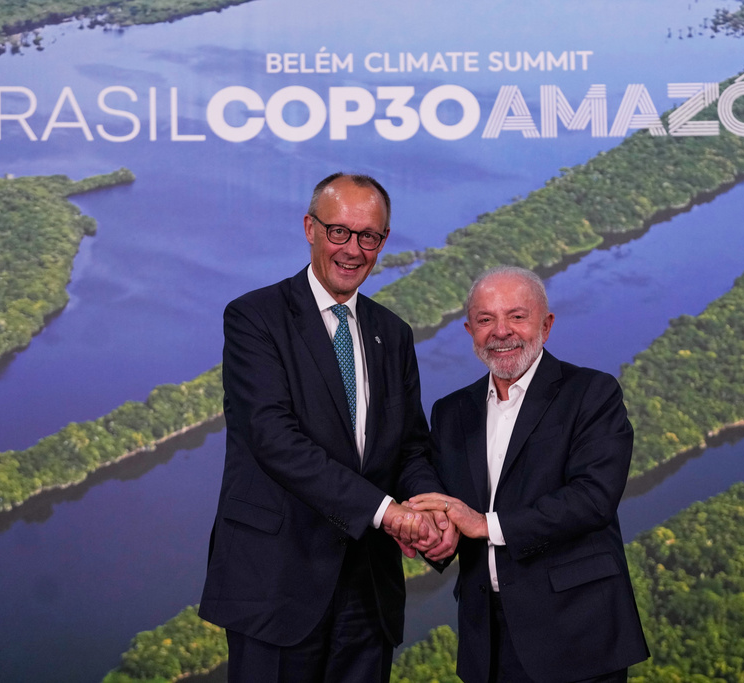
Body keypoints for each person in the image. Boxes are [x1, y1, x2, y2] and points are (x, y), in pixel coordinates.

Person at [200, 172, 456, 683]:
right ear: (310, 228)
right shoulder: (255, 318)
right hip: (277, 585)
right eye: (339, 231)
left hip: (368, 592)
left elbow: (409, 446)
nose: (353, 249)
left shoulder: (394, 334)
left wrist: (432, 509)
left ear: (383, 242)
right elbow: (274, 439)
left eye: (369, 237)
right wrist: (389, 515)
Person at [408, 266, 649, 683]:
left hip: (577, 635)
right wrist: (430, 528)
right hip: (487, 641)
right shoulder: (450, 413)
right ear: (469, 331)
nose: (501, 331)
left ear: (546, 324)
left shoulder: (592, 393)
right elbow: (435, 492)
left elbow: (592, 499)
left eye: (516, 316)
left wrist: (484, 524)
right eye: (485, 320)